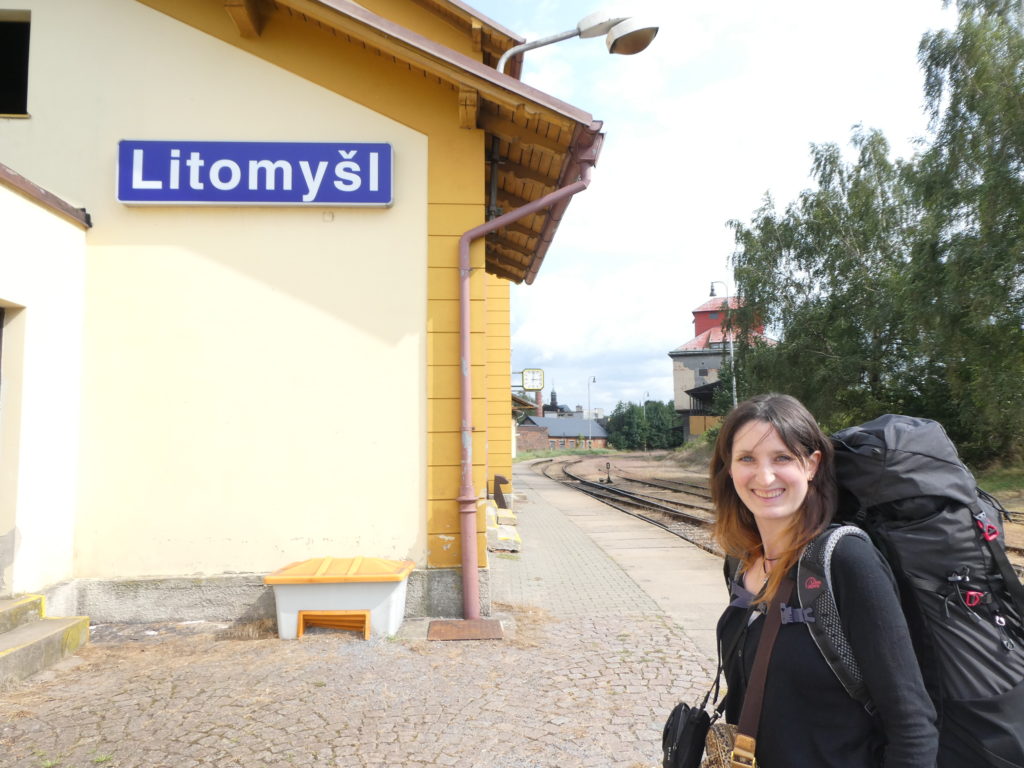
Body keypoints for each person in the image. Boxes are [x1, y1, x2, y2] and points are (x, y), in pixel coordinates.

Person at [711, 393, 938, 768]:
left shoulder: (846, 562)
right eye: (747, 458)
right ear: (730, 468)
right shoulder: (739, 562)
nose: (764, 476)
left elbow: (912, 724)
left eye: (782, 457)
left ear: (812, 465)